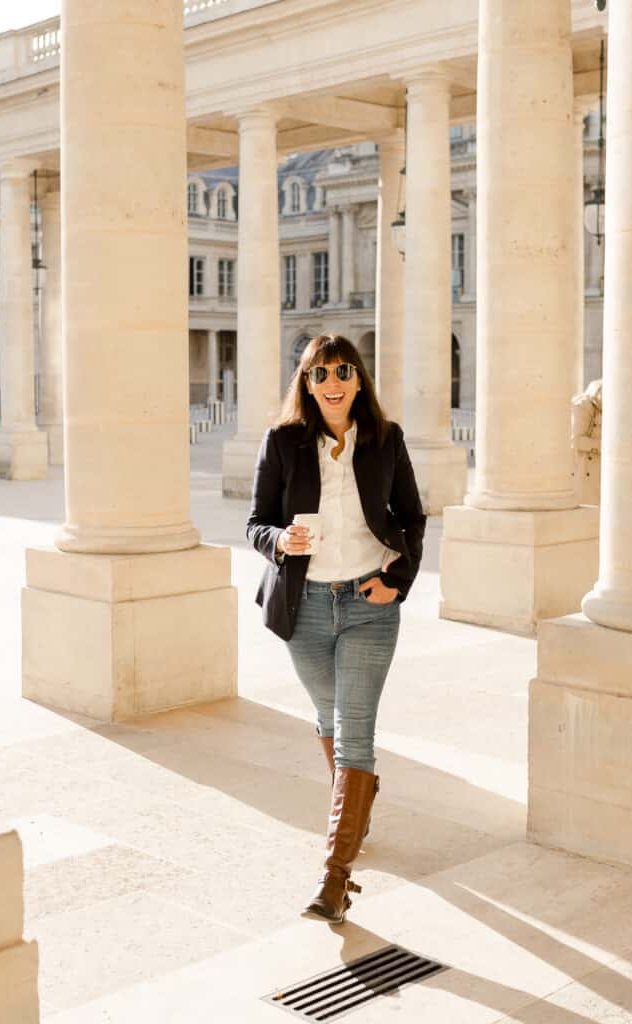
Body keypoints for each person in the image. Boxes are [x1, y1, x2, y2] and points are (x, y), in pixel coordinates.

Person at [247, 334, 426, 924]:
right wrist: (279, 541)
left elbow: (411, 517)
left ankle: (334, 876)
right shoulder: (282, 443)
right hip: (308, 607)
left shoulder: (385, 439)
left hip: (370, 604)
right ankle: (356, 805)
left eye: (343, 370)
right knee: (329, 716)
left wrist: (397, 582)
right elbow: (255, 523)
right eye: (321, 373)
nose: (333, 382)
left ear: (358, 379)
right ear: (306, 381)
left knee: (356, 731)